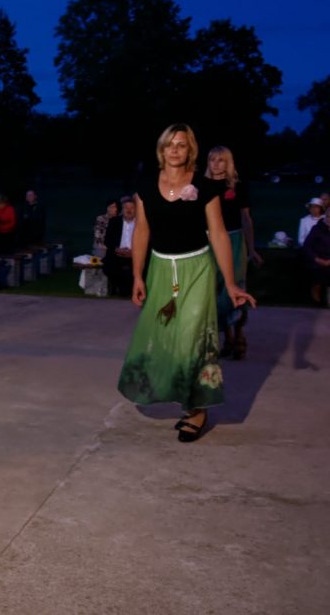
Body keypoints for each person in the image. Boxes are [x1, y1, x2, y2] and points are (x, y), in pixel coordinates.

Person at [118, 124, 256, 443]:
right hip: (160, 270)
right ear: (161, 149)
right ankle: (178, 392)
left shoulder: (205, 188)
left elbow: (218, 234)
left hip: (197, 269)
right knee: (165, 338)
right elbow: (142, 231)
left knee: (193, 338)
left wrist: (231, 283)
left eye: (182, 144)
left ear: (190, 150)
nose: (175, 150)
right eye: (170, 144)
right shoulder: (146, 187)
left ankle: (197, 409)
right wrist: (138, 275)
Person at [205, 146, 262, 359]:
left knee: (235, 287)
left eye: (221, 160)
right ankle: (226, 336)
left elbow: (246, 219)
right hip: (209, 242)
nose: (216, 164)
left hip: (234, 240)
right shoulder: (202, 186)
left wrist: (251, 248)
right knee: (213, 291)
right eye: (212, 160)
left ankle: (239, 335)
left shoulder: (237, 186)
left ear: (228, 162)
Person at [103, 197, 136, 297]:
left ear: (136, 210)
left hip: (135, 255)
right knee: (110, 265)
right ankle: (116, 288)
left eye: (131, 208)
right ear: (122, 209)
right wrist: (117, 249)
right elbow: (107, 241)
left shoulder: (140, 223)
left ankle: (132, 290)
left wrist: (134, 252)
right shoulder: (114, 222)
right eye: (126, 208)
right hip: (117, 253)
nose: (129, 210)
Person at [302, 211, 330, 304]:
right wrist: (317, 259)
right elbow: (307, 247)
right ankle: (316, 290)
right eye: (328, 216)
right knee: (317, 272)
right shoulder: (316, 229)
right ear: (325, 216)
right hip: (318, 259)